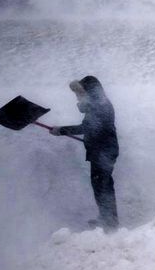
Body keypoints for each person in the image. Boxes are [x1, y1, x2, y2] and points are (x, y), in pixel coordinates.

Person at [50, 76, 120, 229]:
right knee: (101, 186)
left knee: (102, 186)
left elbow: (87, 127)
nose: (77, 96)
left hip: (104, 152)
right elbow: (92, 126)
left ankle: (110, 223)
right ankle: (107, 218)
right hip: (102, 150)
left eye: (80, 93)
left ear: (90, 91)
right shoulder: (97, 104)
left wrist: (61, 130)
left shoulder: (100, 106)